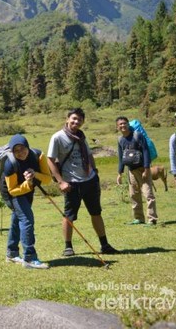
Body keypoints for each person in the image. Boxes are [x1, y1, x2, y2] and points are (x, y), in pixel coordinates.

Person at [47, 108, 119, 256]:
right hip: (72, 183)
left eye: (79, 120)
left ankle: (104, 245)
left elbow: (89, 153)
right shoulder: (57, 137)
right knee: (69, 215)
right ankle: (68, 247)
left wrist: (94, 170)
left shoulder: (81, 136)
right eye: (73, 119)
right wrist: (60, 182)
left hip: (90, 180)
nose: (76, 122)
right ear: (67, 119)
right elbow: (50, 160)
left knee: (96, 212)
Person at [1, 134, 51, 269]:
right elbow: (12, 190)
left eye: (22, 148)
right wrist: (28, 184)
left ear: (28, 147)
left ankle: (11, 254)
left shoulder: (38, 156)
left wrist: (35, 174)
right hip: (11, 192)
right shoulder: (9, 164)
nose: (20, 153)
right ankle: (29, 258)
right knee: (27, 220)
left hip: (27, 189)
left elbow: (47, 179)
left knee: (18, 218)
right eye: (16, 150)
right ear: (12, 151)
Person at [115, 116, 158, 225]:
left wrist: (147, 169)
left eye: (124, 123)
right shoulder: (120, 139)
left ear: (128, 124)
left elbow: (145, 151)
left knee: (148, 194)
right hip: (131, 171)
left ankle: (152, 219)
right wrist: (120, 173)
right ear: (117, 126)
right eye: (120, 124)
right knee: (134, 195)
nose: (123, 125)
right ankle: (139, 218)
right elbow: (121, 157)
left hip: (142, 169)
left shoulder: (137, 136)